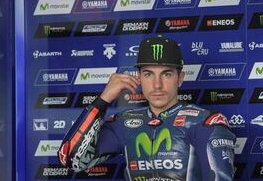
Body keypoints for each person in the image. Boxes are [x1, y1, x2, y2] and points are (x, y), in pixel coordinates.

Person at [58, 36, 236, 181]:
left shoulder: (205, 122)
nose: (157, 85)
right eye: (148, 74)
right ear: (139, 78)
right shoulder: (124, 123)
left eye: (166, 74)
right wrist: (102, 101)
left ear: (179, 78)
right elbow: (71, 159)